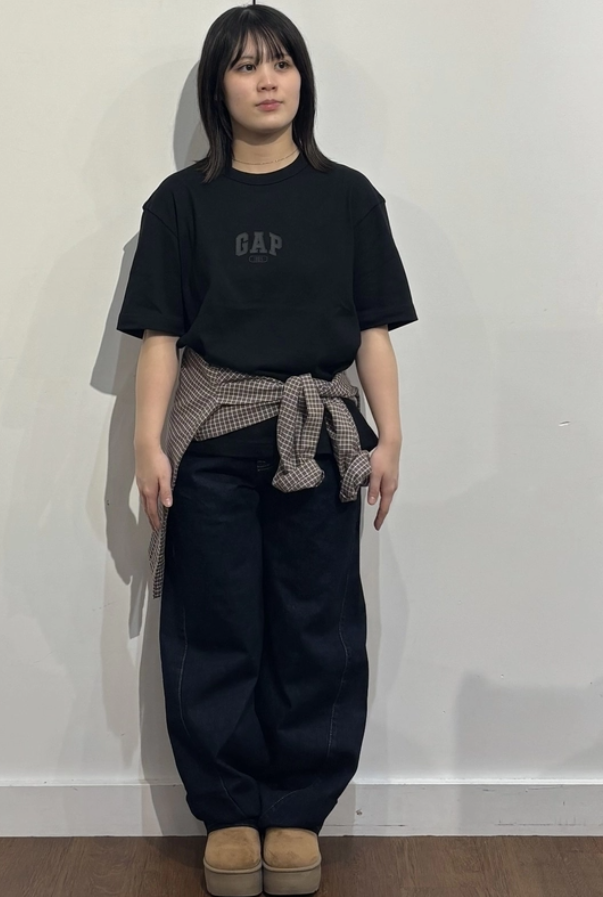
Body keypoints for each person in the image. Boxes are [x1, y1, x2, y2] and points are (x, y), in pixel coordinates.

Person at [116, 5, 418, 895]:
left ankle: (295, 808)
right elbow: (160, 337)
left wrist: (391, 435)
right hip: (211, 444)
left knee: (315, 626)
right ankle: (227, 809)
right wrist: (146, 442)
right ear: (219, 87)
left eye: (281, 62)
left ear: (302, 79)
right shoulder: (180, 203)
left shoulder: (349, 197)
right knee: (214, 625)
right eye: (245, 66)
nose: (267, 80)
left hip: (319, 441)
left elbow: (372, 330)